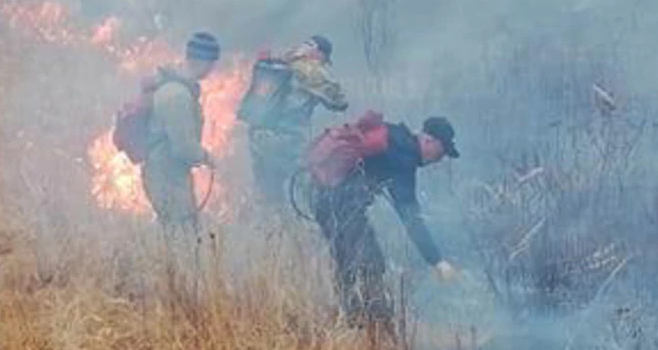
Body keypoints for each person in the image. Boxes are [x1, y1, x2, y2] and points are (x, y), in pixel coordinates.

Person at [307, 112, 462, 330]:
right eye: (442, 151)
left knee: (347, 262)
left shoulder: (395, 135)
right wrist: (437, 261)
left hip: (321, 196)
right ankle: (376, 328)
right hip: (339, 205)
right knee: (371, 263)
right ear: (429, 141)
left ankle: (352, 323)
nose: (440, 158)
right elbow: (410, 218)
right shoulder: (403, 157)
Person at [236, 34, 348, 208]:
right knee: (309, 189)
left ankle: (271, 230)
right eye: (325, 60)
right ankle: (309, 229)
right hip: (288, 140)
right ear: (319, 53)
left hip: (258, 137)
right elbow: (339, 102)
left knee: (269, 193)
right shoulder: (311, 69)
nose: (324, 64)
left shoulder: (281, 61)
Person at [143, 31, 221, 235]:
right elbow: (183, 147)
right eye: (212, 64)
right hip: (167, 175)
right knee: (183, 237)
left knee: (175, 234)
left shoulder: (175, 88)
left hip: (168, 172)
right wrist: (206, 157)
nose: (212, 70)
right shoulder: (177, 95)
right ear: (202, 62)